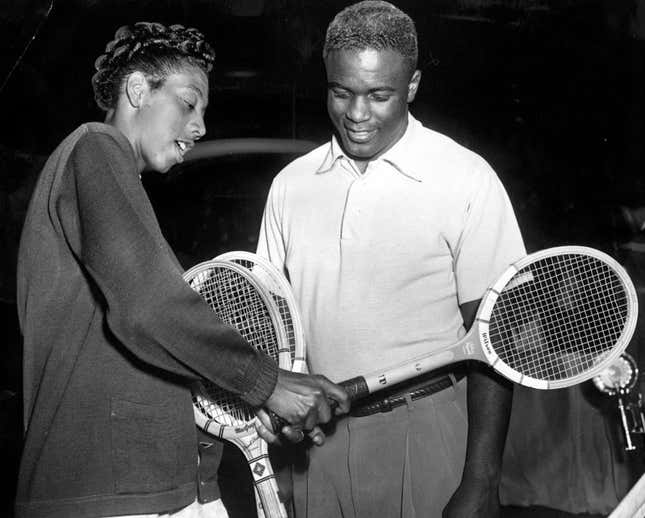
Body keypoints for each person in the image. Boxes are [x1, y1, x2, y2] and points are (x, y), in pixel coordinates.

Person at [15, 21, 348, 518]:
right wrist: (269, 384)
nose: (201, 127)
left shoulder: (117, 192)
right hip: (113, 492)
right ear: (136, 90)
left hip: (153, 484)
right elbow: (150, 308)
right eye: (189, 104)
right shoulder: (96, 146)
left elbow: (145, 350)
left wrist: (249, 403)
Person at [255, 2, 526, 517]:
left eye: (380, 95)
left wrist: (482, 481)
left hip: (427, 437)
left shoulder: (465, 178)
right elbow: (274, 327)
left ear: (414, 85)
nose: (357, 114)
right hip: (320, 448)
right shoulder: (290, 186)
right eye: (341, 92)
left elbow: (496, 341)